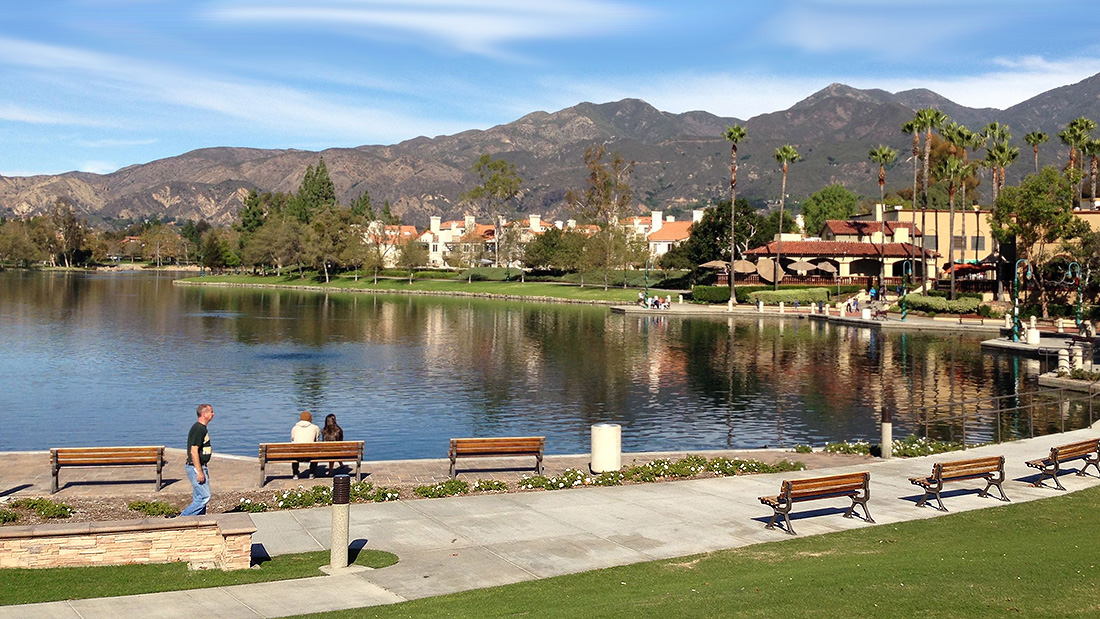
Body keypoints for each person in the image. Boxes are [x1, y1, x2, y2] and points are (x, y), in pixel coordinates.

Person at [181, 403, 214, 516]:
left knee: (199, 497)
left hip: (202, 466)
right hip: (195, 467)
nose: (213, 414)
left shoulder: (202, 428)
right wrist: (199, 471)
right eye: (211, 412)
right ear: (204, 414)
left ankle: (199, 521)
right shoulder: (198, 429)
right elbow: (193, 451)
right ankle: (183, 518)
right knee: (205, 496)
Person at [290, 411, 321, 479]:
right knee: (315, 451)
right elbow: (317, 441)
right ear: (310, 418)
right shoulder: (315, 428)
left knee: (294, 451)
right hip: (310, 455)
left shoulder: (295, 428)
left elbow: (292, 440)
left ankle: (295, 473)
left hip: (297, 455)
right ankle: (312, 473)